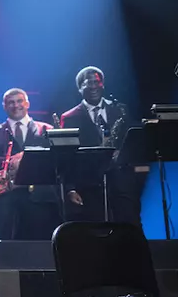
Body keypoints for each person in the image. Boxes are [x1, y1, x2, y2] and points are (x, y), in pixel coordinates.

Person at [59, 66, 143, 226]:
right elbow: (66, 155)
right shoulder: (69, 117)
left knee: (130, 224)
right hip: (89, 182)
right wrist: (70, 188)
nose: (93, 87)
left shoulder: (120, 109)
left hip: (121, 179)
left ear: (103, 84)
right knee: (96, 228)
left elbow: (132, 141)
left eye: (96, 82)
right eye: (88, 83)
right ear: (79, 88)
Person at [0, 88, 60, 240]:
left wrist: (26, 158)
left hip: (39, 199)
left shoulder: (47, 129)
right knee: (5, 246)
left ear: (27, 104)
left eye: (19, 101)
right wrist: (9, 161)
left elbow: (55, 160)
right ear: (4, 106)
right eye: (11, 102)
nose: (15, 105)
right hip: (6, 199)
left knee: (39, 245)